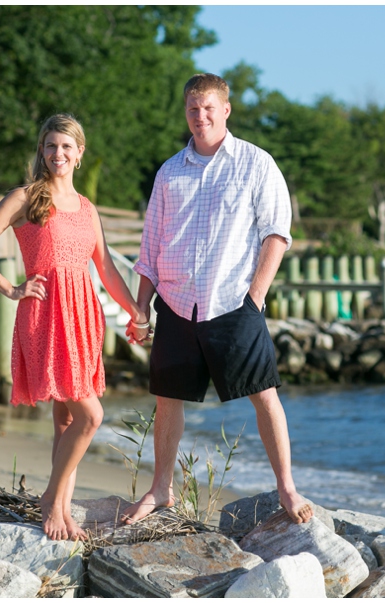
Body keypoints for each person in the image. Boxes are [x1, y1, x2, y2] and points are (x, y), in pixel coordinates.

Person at [121, 74, 314, 525]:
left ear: (226, 109)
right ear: (185, 112)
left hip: (233, 302)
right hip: (174, 302)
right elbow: (151, 247)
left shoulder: (256, 163)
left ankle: (287, 487)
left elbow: (276, 233)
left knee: (264, 395)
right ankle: (161, 490)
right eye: (192, 108)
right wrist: (142, 308)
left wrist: (255, 297)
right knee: (167, 399)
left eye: (208, 107)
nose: (200, 115)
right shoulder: (170, 171)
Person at [0, 113, 151, 541]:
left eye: (66, 146)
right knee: (92, 416)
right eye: (50, 146)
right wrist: (12, 288)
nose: (58, 154)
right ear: (42, 151)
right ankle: (51, 498)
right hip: (45, 314)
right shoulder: (25, 197)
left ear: (79, 153)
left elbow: (105, 269)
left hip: (83, 317)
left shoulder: (87, 208)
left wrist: (137, 313)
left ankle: (63, 510)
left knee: (66, 420)